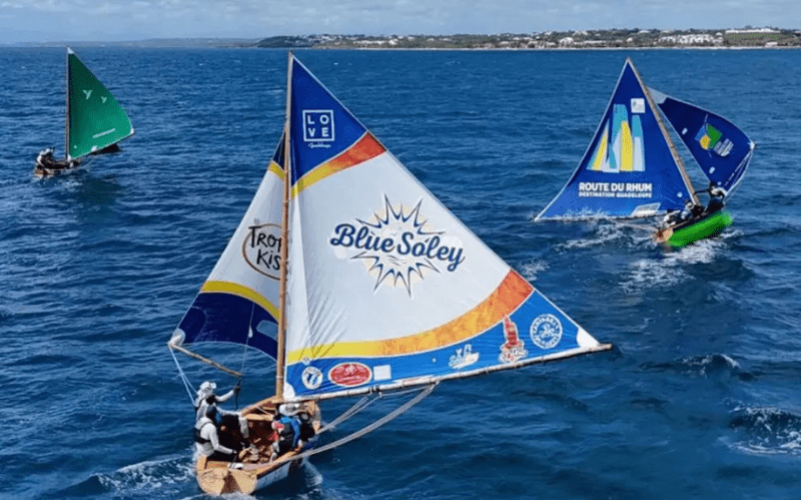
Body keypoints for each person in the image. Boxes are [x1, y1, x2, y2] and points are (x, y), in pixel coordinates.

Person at [193, 381, 254, 454]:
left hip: (207, 424)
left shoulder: (201, 400)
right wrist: (237, 413)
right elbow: (221, 413)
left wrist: (233, 391)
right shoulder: (209, 407)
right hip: (213, 423)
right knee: (242, 420)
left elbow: (221, 400)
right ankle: (245, 441)